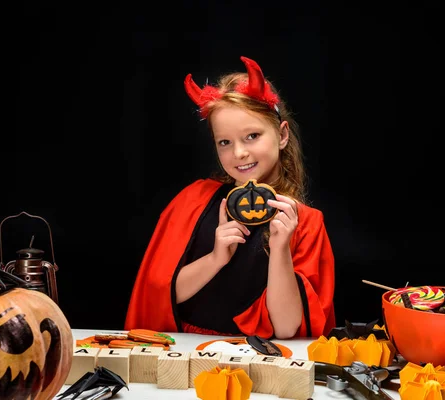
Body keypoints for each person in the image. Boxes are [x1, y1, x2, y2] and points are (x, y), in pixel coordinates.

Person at [124, 56, 335, 339]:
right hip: (186, 347)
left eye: (252, 136)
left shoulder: (305, 222)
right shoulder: (194, 200)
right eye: (225, 142)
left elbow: (286, 328)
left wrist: (281, 249)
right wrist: (215, 258)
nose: (239, 153)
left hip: (256, 355)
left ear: (282, 135)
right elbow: (159, 296)